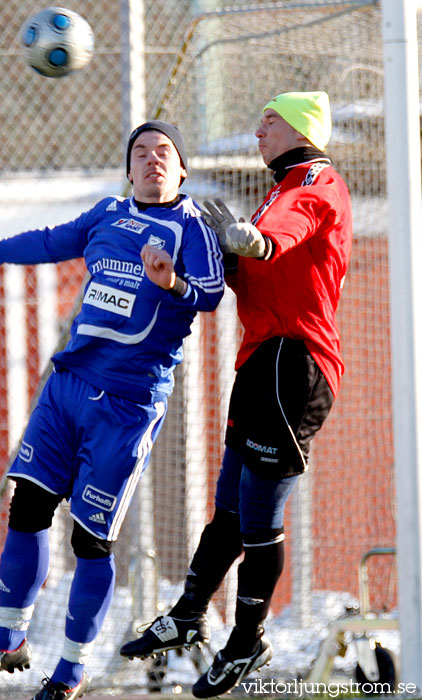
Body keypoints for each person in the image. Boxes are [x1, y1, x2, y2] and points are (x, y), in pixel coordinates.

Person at [0, 120, 225, 700]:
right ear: (127, 169)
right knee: (27, 507)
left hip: (126, 405)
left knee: (91, 542)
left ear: (181, 169)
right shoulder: (106, 214)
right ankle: (7, 640)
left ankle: (71, 671)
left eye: (164, 152)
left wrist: (170, 283)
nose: (152, 159)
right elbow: (50, 241)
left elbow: (212, 293)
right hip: (67, 386)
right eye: (141, 151)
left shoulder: (191, 228)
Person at [120, 91, 353, 698]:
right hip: (261, 362)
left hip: (293, 362)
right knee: (229, 502)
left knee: (257, 512)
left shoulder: (314, 181)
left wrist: (249, 239)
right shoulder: (281, 184)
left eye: (268, 121)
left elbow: (280, 234)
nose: (257, 131)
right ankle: (191, 611)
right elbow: (255, 262)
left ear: (300, 128)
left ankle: (247, 639)